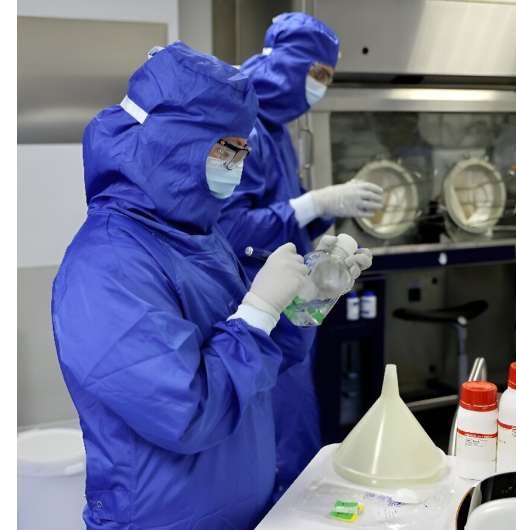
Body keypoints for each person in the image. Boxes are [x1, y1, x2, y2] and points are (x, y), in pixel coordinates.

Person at [52, 42, 309, 529]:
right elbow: (186, 412)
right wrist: (257, 310)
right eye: (227, 149)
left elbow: (261, 367)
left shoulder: (198, 238)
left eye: (243, 149)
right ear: (174, 142)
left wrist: (303, 305)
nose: (238, 165)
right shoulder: (106, 266)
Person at [218, 12, 380, 500]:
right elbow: (231, 227)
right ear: (287, 64)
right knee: (274, 454)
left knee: (299, 445)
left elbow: (283, 213)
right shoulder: (236, 124)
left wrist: (325, 232)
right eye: (318, 74)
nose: (321, 88)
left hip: (290, 317)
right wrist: (316, 202)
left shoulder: (278, 134)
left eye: (329, 78)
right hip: (250, 312)